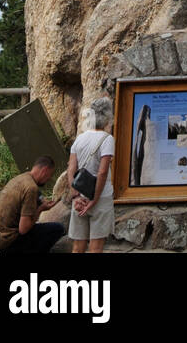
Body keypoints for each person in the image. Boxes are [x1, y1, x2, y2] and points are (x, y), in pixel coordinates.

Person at [0, 156, 65, 253]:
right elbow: (23, 229)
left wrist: (41, 201)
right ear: (44, 171)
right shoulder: (31, 188)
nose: (49, 179)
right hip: (6, 243)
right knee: (57, 229)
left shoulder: (21, 178)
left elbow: (37, 196)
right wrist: (41, 209)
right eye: (49, 175)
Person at [68, 96, 115, 254]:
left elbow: (71, 169)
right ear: (108, 117)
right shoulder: (107, 139)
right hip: (100, 197)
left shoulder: (80, 138)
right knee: (96, 247)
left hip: (80, 195)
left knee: (78, 246)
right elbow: (102, 172)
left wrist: (75, 196)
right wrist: (94, 199)